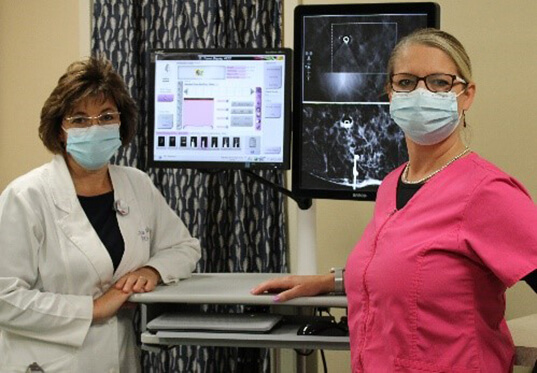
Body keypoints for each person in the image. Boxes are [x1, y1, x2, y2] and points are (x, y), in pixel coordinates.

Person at [252, 28, 537, 372]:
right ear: (389, 93)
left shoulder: (487, 192)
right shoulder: (391, 184)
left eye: (439, 82)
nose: (420, 93)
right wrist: (329, 282)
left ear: (466, 95)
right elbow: (409, 262)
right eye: (405, 83)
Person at [0, 57, 201, 372]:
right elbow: (4, 298)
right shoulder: (26, 197)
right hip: (46, 363)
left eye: (106, 116)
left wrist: (152, 270)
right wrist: (92, 309)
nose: (95, 127)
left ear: (120, 124)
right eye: (79, 119)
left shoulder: (136, 184)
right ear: (60, 131)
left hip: (118, 358)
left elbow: (184, 247)